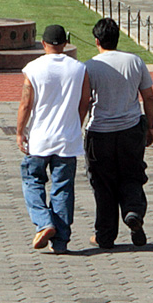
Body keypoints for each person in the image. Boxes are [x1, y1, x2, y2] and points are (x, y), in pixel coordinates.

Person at [15, 23, 92, 254]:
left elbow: (26, 104)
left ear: (43, 43)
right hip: (67, 140)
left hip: (39, 138)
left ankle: (43, 221)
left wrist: (20, 132)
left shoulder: (33, 68)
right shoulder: (79, 69)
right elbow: (84, 102)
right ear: (66, 43)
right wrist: (74, 125)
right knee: (63, 189)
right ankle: (60, 241)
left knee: (32, 181)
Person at [83, 17, 153, 249]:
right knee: (132, 175)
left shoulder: (90, 66)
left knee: (103, 183)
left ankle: (105, 235)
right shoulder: (135, 61)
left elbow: (84, 102)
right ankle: (133, 210)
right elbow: (149, 97)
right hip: (131, 129)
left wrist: (76, 128)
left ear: (97, 41)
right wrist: (151, 126)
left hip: (100, 132)